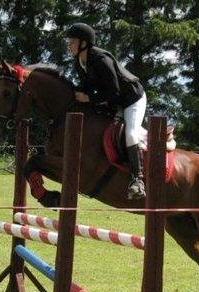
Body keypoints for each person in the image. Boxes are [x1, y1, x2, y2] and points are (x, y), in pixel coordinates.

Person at [66, 22, 147, 200]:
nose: (69, 46)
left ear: (84, 43)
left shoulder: (102, 60)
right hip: (112, 101)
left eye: (72, 42)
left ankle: (137, 180)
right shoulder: (79, 62)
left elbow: (115, 91)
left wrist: (88, 98)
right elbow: (87, 87)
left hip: (132, 99)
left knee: (131, 134)